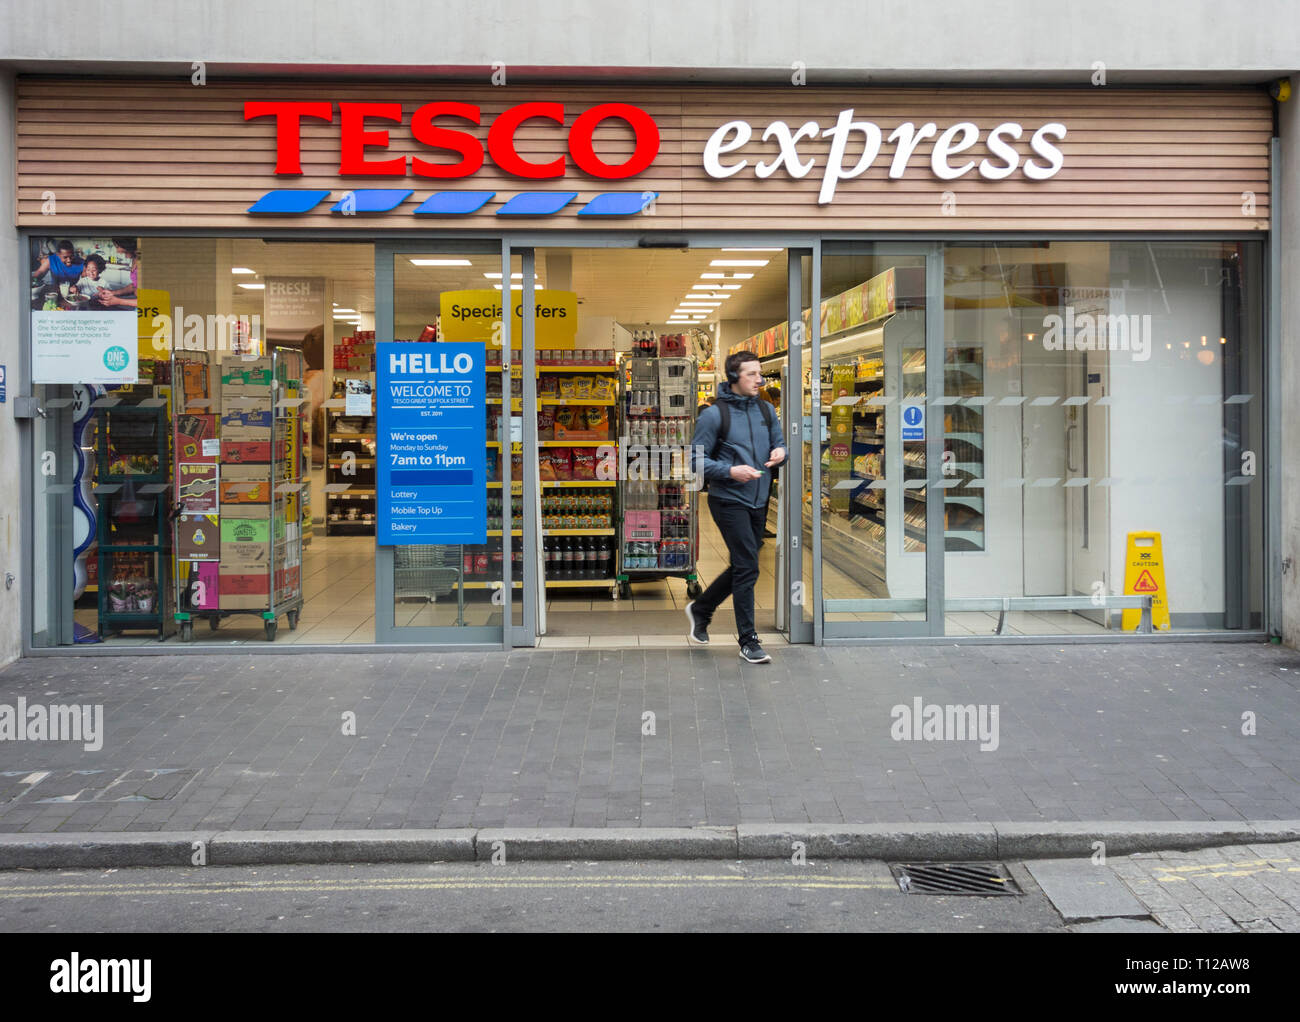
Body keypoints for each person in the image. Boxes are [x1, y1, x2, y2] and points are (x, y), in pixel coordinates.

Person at [687, 350, 785, 664]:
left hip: (759, 498)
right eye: (751, 374)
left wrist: (781, 452)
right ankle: (748, 641)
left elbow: (779, 442)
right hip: (728, 499)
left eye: (760, 374)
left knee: (744, 565)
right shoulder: (714, 415)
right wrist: (730, 471)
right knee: (748, 567)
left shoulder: (767, 411)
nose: (759, 380)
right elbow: (695, 460)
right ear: (734, 378)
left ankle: (701, 608)